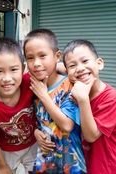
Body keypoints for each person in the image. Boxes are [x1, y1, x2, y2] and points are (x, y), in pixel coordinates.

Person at [23, 29, 86, 173]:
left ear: (57, 56)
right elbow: (38, 120)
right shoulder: (33, 86)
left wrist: (44, 96)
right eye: (30, 58)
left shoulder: (70, 85)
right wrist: (35, 133)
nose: (36, 63)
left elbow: (67, 125)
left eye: (42, 56)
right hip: (45, 162)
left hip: (71, 164)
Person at [63, 39, 116, 174]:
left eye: (85, 61)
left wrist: (83, 99)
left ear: (99, 63)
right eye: (72, 65)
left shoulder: (111, 97)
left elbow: (91, 136)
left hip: (105, 167)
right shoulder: (72, 90)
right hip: (81, 164)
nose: (80, 68)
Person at [0, 37, 38, 174]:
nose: (7, 78)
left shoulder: (29, 83)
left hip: (34, 144)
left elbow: (52, 68)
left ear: (23, 68)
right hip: (6, 151)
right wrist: (2, 166)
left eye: (13, 69)